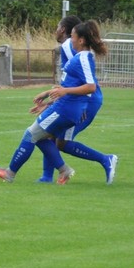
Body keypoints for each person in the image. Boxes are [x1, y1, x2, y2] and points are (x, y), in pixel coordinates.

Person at [0, 20, 118, 184]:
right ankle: (63, 170)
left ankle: (9, 174)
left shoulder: (84, 58)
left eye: (72, 37)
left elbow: (91, 87)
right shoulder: (79, 57)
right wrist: (48, 94)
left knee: (31, 134)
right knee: (43, 138)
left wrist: (65, 92)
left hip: (65, 109)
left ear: (81, 40)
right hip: (63, 106)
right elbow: (69, 84)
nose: (70, 40)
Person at [32, 15, 104, 183]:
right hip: (80, 98)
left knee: (50, 136)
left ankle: (49, 175)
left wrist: (82, 104)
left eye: (57, 27)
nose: (55, 30)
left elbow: (82, 80)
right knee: (52, 137)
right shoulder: (72, 47)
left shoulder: (68, 47)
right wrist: (51, 101)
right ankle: (50, 175)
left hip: (82, 99)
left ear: (63, 30)